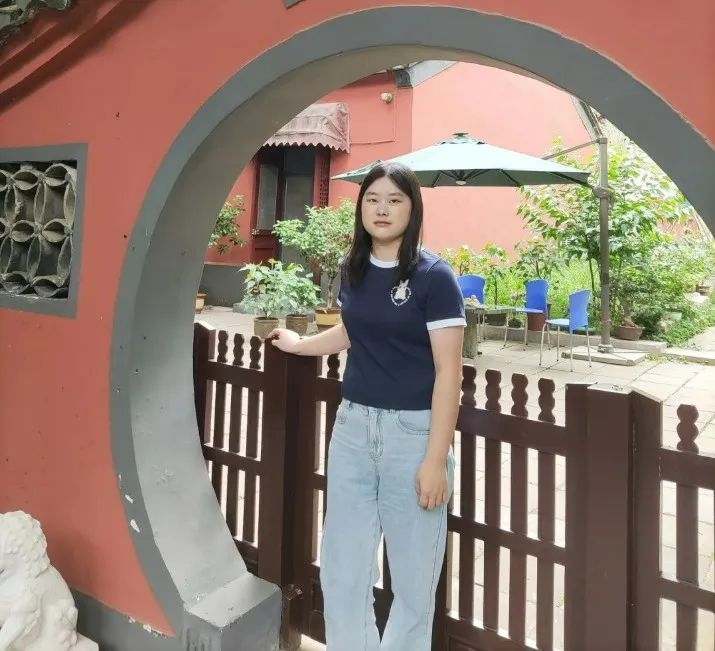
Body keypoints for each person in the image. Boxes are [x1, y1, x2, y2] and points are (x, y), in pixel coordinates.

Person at [270, 162, 465, 651]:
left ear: (412, 209)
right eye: (373, 199)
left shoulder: (434, 277)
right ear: (361, 208)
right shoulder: (353, 268)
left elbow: (449, 372)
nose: (382, 209)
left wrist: (435, 459)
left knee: (414, 581)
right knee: (343, 570)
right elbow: (352, 330)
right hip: (353, 430)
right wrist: (299, 344)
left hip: (413, 435)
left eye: (395, 200)